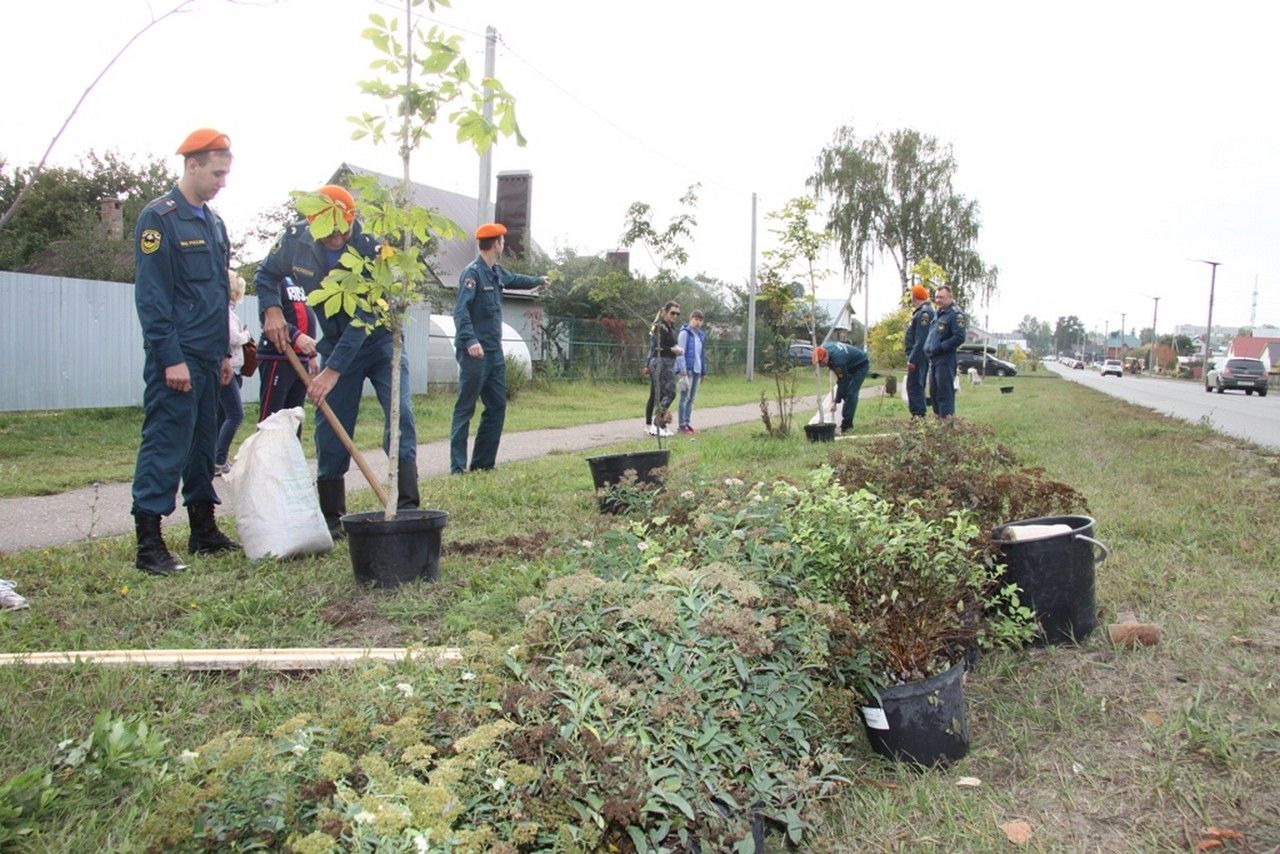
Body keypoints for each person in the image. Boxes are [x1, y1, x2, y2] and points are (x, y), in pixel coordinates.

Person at [256, 185, 419, 538]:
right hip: (333, 343)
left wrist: (332, 370)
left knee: (400, 413)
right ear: (314, 221)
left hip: (379, 342)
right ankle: (333, 517)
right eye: (329, 229)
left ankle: (407, 507)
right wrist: (270, 308)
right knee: (330, 424)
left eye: (344, 228)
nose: (338, 236)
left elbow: (364, 314)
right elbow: (265, 273)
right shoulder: (295, 240)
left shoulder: (370, 248)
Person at [130, 128, 240, 576]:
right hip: (176, 357)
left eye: (226, 173)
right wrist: (170, 356)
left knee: (201, 448)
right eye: (216, 172)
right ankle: (149, 544)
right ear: (191, 165)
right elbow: (153, 296)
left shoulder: (213, 223)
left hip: (210, 356)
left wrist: (224, 354)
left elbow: (217, 296)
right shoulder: (159, 218)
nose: (222, 181)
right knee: (166, 444)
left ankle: (203, 530)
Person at [450, 223, 550, 474]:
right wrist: (470, 341)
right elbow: (460, 312)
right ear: (496, 243)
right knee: (465, 407)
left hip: (494, 352)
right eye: (503, 241)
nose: (503, 245)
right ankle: (457, 468)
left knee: (497, 406)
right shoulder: (472, 274)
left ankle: (483, 464)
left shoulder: (495, 272)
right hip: (474, 352)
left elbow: (516, 279)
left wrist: (539, 281)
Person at [256, 275, 320, 423]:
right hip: (278, 356)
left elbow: (308, 318)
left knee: (295, 417)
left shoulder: (303, 281)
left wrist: (312, 355)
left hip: (301, 358)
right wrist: (296, 336)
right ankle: (267, 446)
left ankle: (290, 446)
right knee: (272, 417)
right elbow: (268, 319)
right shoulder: (273, 279)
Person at [214, 272, 252, 476]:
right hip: (227, 369)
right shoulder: (226, 312)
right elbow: (232, 337)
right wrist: (246, 335)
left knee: (221, 416)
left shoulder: (226, 310)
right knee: (235, 415)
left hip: (232, 369)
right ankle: (219, 461)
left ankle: (215, 459)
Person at [924, 284, 967, 419]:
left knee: (945, 393)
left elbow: (959, 337)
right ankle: (938, 425)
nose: (938, 300)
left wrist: (941, 347)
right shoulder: (938, 313)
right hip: (934, 360)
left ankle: (947, 426)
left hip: (945, 359)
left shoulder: (955, 314)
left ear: (950, 297)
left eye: (941, 297)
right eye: (936, 297)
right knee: (934, 393)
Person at [814, 341, 871, 432]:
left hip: (860, 365)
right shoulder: (824, 347)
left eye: (821, 362)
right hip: (849, 364)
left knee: (851, 393)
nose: (821, 365)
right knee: (845, 394)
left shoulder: (839, 361)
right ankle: (846, 413)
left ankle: (847, 425)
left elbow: (842, 382)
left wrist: (836, 401)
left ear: (826, 356)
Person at [648, 302, 683, 435]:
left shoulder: (670, 327)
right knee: (670, 393)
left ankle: (660, 424)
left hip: (669, 363)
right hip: (660, 362)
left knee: (664, 394)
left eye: (677, 314)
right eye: (672, 313)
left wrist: (677, 349)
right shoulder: (659, 327)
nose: (675, 316)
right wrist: (673, 349)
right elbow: (657, 347)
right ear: (665, 312)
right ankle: (656, 423)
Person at [903, 284, 935, 418]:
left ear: (914, 297)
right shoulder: (924, 311)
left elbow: (921, 340)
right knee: (916, 385)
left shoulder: (924, 313)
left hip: (918, 356)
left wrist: (912, 359)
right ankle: (918, 415)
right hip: (919, 355)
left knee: (914, 386)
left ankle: (918, 417)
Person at [674, 309, 707, 434]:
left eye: (700, 320)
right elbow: (680, 353)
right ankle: (681, 425)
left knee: (692, 398)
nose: (697, 322)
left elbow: (702, 355)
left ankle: (687, 423)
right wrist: (683, 372)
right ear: (690, 319)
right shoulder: (684, 333)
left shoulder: (701, 336)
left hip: (697, 370)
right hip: (687, 370)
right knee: (684, 397)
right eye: (695, 319)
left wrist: (703, 372)